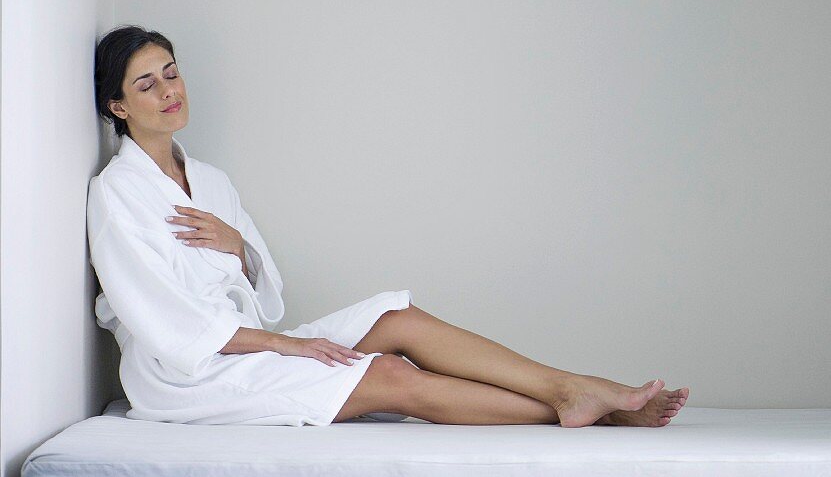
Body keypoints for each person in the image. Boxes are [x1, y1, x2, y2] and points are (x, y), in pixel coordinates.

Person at [90, 24, 689, 427]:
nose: (169, 91)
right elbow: (166, 321)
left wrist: (239, 245)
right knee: (389, 375)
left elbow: (266, 293)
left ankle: (569, 387)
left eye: (171, 73)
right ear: (119, 107)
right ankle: (592, 410)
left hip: (248, 347)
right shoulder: (117, 194)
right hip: (186, 377)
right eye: (147, 84)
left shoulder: (211, 180)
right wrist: (291, 346)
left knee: (396, 319)